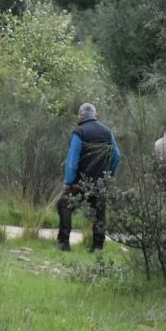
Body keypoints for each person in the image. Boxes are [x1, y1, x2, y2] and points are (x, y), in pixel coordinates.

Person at [57, 101, 119, 252]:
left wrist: (68, 182)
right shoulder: (107, 132)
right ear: (95, 115)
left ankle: (64, 242)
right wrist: (108, 175)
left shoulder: (79, 132)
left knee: (64, 205)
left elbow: (72, 162)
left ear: (80, 116)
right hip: (99, 182)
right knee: (99, 212)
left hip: (79, 183)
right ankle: (98, 246)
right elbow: (117, 156)